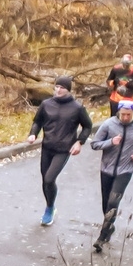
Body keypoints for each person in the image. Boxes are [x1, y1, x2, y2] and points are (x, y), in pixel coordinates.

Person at [29, 75, 93, 226]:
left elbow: (88, 126)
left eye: (62, 88)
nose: (58, 90)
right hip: (47, 146)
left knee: (49, 179)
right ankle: (50, 205)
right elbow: (37, 122)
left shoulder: (77, 108)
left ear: (68, 90)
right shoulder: (46, 104)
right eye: (57, 87)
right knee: (45, 181)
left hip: (64, 149)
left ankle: (49, 209)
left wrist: (79, 142)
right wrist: (33, 134)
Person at [90, 99, 133, 251]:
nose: (125, 117)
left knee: (113, 202)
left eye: (128, 115)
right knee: (106, 204)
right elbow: (95, 144)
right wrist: (111, 142)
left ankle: (102, 237)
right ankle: (109, 226)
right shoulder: (108, 124)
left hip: (125, 170)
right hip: (106, 169)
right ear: (118, 112)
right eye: (123, 114)